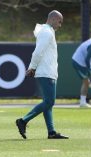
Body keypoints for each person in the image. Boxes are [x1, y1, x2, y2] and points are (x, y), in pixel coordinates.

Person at [16, 10, 69, 139]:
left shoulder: (47, 31)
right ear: (53, 19)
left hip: (48, 71)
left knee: (48, 103)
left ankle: (51, 132)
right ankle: (23, 121)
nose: (60, 25)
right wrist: (32, 67)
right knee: (50, 101)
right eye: (59, 22)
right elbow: (38, 51)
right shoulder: (46, 32)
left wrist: (33, 67)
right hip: (46, 72)